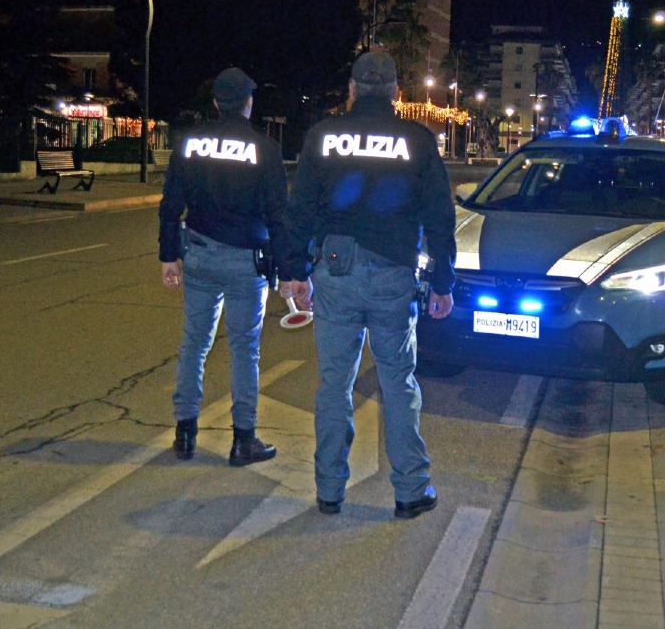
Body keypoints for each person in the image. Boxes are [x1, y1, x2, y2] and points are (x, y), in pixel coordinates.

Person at [281, 51, 455, 519]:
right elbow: (441, 216)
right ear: (397, 94)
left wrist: (293, 273)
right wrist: (443, 281)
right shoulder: (417, 140)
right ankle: (410, 491)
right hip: (393, 272)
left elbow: (298, 211)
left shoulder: (323, 136)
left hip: (333, 270)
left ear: (353, 91)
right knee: (398, 381)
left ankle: (329, 491)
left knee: (334, 383)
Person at [158, 67, 286, 467]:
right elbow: (278, 214)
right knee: (245, 350)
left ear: (215, 102)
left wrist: (167, 255)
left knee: (194, 344)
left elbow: (170, 202)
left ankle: (185, 433)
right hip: (246, 262)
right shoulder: (265, 149)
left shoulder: (190, 143)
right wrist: (288, 270)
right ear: (249, 102)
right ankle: (243, 440)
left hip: (198, 254)